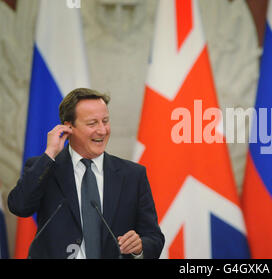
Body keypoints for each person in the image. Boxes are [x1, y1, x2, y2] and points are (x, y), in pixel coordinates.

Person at [8, 88, 165, 259]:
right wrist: (50, 153)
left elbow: (154, 238)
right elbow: (19, 206)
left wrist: (139, 247)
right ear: (69, 127)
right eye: (92, 123)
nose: (102, 130)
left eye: (105, 121)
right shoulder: (46, 168)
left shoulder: (133, 175)